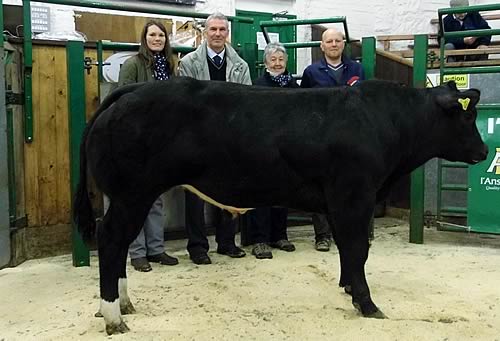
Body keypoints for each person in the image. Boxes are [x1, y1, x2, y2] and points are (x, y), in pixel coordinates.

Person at [179, 12, 252, 265]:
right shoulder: (189, 62)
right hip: (198, 138)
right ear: (205, 32)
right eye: (214, 29)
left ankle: (227, 242)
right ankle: (198, 246)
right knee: (195, 192)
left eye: (222, 29)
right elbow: (187, 102)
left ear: (227, 33)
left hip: (229, 138)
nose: (218, 34)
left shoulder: (240, 65)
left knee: (229, 188)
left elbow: (247, 102)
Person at [118, 20, 179, 272]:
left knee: (155, 198)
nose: (157, 39)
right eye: (152, 35)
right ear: (144, 38)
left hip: (160, 140)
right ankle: (137, 252)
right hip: (137, 138)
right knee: (134, 197)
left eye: (161, 35)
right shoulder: (132, 64)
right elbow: (123, 100)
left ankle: (156, 249)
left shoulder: (170, 65)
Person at [301, 28, 364, 252]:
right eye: (329, 41)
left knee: (351, 184)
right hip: (320, 137)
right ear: (322, 46)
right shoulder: (311, 72)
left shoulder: (357, 69)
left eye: (338, 41)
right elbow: (304, 104)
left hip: (351, 136)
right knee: (320, 184)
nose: (334, 44)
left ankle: (347, 232)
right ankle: (322, 235)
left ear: (344, 44)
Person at [249, 42, 297, 259]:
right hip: (263, 148)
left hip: (288, 148)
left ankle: (280, 235)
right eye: (273, 60)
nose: (277, 63)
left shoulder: (295, 86)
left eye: (281, 59)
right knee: (261, 194)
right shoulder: (258, 85)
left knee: (285, 193)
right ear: (265, 62)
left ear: (286, 62)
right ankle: (260, 240)